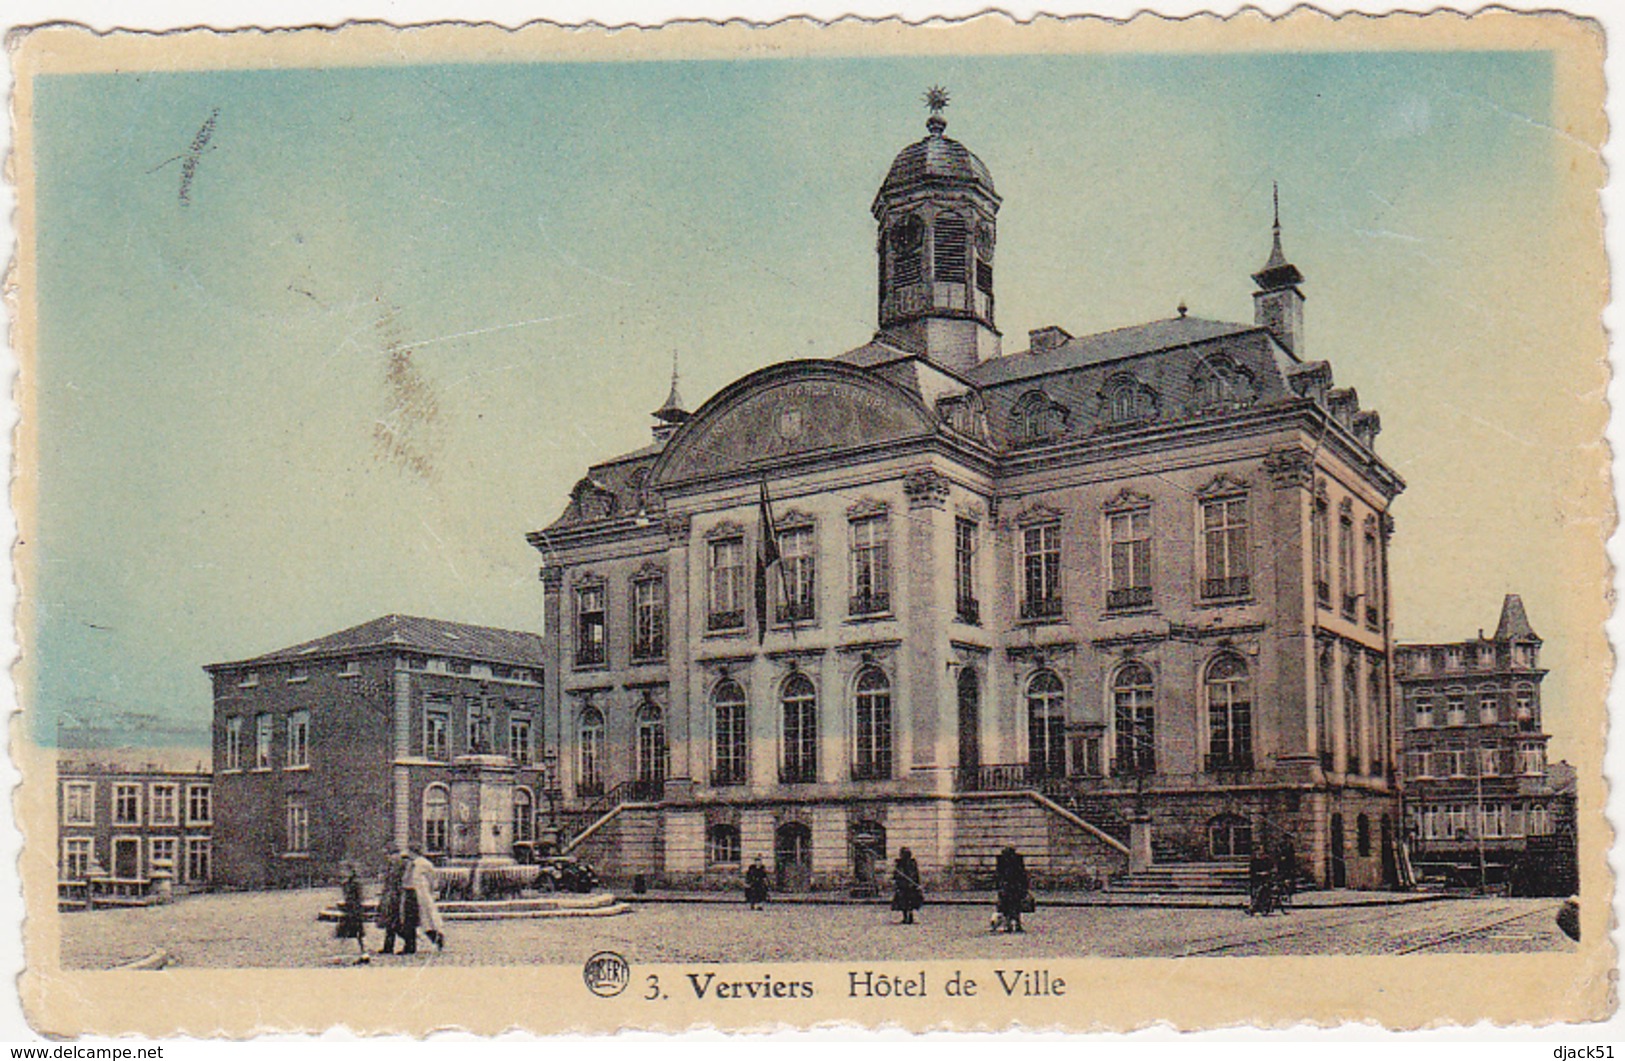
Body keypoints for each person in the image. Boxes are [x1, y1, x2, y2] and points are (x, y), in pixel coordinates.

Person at [399, 846, 446, 954]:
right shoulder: (410, 864)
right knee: (408, 921)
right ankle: (409, 947)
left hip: (419, 893)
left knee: (426, 920)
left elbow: (432, 879)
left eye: (410, 852)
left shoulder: (425, 864)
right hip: (409, 892)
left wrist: (431, 892)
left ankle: (437, 939)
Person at [334, 862, 370, 964]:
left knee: (355, 932)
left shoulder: (354, 884)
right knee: (347, 932)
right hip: (349, 909)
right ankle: (355, 953)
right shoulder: (346, 884)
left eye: (344, 870)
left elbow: (358, 897)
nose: (342, 872)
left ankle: (359, 953)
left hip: (353, 910)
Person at [375, 851, 406, 955]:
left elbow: (397, 885)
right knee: (390, 924)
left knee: (393, 924)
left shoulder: (397, 870)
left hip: (394, 898)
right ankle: (388, 947)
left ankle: (408, 942)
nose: (389, 858)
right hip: (390, 898)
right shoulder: (391, 869)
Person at [994, 846, 1029, 933]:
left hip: (1008, 886)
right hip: (1015, 886)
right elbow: (1022, 873)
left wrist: (999, 886)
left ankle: (1010, 924)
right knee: (1015, 906)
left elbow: (998, 874)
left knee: (1008, 906)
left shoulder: (1002, 859)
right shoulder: (1017, 859)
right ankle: (1016, 924)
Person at [891, 847, 923, 925]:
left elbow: (915, 874)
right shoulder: (899, 863)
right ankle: (906, 918)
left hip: (910, 886)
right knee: (903, 903)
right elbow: (896, 874)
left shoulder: (912, 863)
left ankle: (910, 917)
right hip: (903, 886)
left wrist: (917, 883)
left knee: (910, 902)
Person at [1275, 838, 1297, 913]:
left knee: (1286, 884)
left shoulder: (1289, 849)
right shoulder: (1280, 848)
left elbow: (1292, 859)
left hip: (1288, 869)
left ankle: (1286, 896)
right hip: (1282, 869)